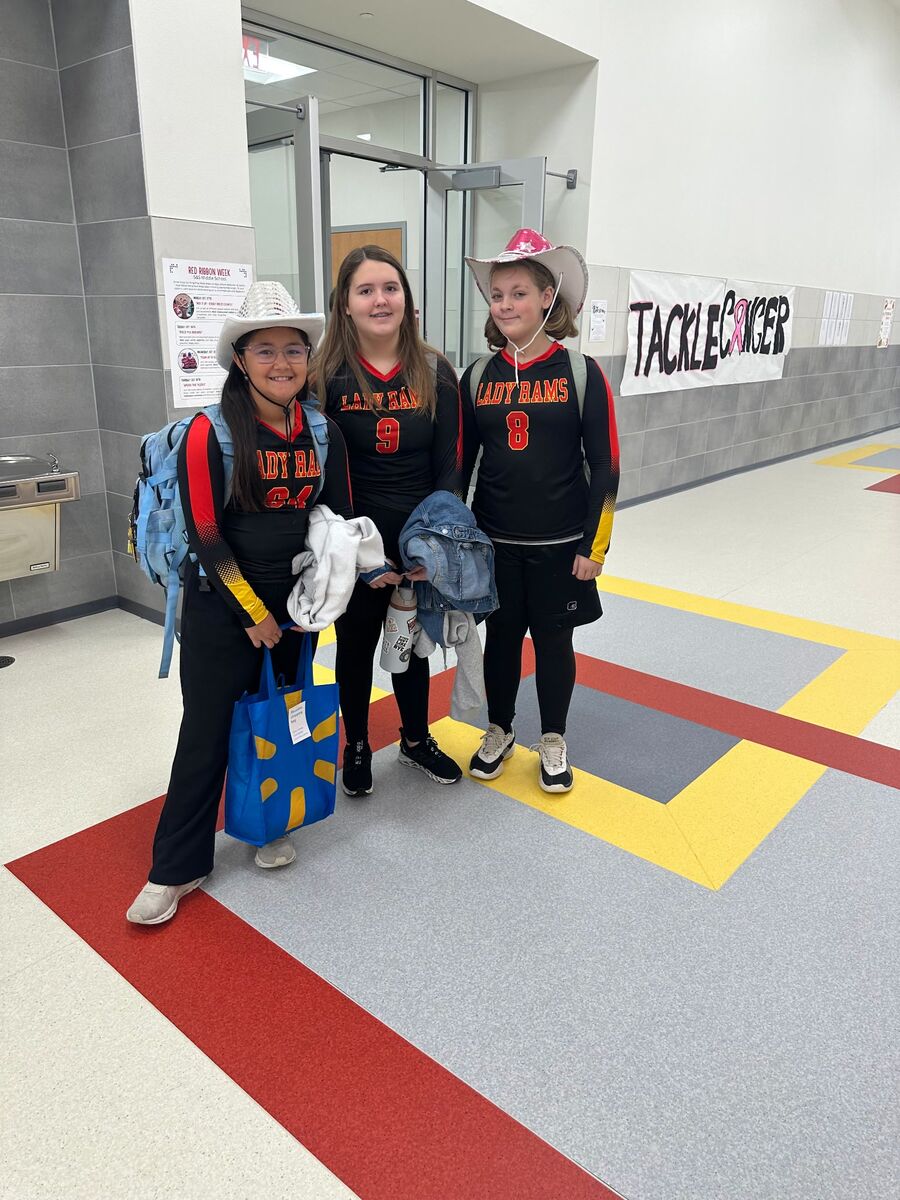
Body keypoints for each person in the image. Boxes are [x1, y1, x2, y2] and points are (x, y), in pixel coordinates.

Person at [127, 281, 353, 925]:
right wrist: (252, 613)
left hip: (294, 612)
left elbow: (337, 517)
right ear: (240, 359)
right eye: (265, 351)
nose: (282, 363)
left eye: (293, 350)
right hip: (220, 606)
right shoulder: (210, 432)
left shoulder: (322, 432)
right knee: (204, 732)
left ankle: (267, 824)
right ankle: (177, 866)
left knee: (276, 720)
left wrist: (334, 586)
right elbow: (206, 533)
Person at [461, 229, 619, 793]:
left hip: (561, 547)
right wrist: (453, 541)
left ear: (548, 298)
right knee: (502, 642)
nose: (505, 304)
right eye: (497, 294)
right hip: (496, 545)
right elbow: (459, 466)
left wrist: (594, 546)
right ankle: (500, 729)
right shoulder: (477, 377)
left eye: (519, 293)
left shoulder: (581, 373)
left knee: (554, 643)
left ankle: (553, 737)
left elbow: (606, 467)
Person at [314, 245, 464, 795]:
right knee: (353, 648)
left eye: (390, 288)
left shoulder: (435, 370)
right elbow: (323, 472)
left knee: (412, 645)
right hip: (354, 543)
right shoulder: (324, 376)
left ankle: (416, 739)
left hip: (417, 541)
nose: (380, 300)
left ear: (406, 298)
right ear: (345, 305)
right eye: (366, 290)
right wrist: (359, 554)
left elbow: (451, 465)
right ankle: (355, 743)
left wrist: (433, 546)